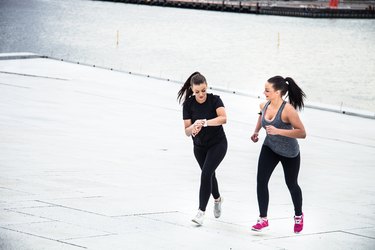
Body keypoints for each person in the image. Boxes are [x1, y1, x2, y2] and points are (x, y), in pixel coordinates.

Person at [250, 76, 306, 233]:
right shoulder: (264, 105)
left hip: (289, 152)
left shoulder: (288, 110)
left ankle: (298, 215)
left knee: (291, 184)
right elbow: (261, 116)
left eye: (267, 90)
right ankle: (263, 219)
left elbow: (302, 133)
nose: (264, 92)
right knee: (261, 181)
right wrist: (256, 132)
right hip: (270, 147)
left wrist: (278, 131)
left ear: (278, 92)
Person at [177, 72, 228, 226]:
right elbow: (187, 131)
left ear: (207, 87)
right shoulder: (188, 104)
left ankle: (200, 212)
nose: (201, 94)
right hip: (199, 147)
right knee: (209, 175)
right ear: (192, 90)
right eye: (197, 92)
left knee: (205, 174)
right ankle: (218, 199)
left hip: (218, 144)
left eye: (203, 90)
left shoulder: (215, 100)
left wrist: (204, 122)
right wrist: (194, 126)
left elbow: (223, 119)